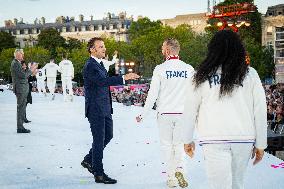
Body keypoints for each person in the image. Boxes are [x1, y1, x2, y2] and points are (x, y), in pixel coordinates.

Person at [183, 30, 267, 189]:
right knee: (237, 185)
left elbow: (190, 109)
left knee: (218, 186)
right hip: (243, 138)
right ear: (238, 49)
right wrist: (261, 143)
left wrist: (187, 139)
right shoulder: (250, 74)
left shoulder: (200, 76)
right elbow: (260, 110)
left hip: (213, 138)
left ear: (212, 50)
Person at [136, 38, 194, 188]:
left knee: (167, 146)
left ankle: (171, 177)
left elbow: (152, 95)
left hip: (165, 113)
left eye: (162, 48)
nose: (161, 50)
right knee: (179, 144)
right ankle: (180, 169)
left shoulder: (160, 69)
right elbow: (194, 94)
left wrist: (143, 114)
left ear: (168, 50)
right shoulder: (189, 69)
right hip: (183, 113)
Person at [82, 37, 139, 184]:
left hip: (105, 108)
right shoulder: (90, 66)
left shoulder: (99, 64)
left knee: (108, 135)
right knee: (99, 140)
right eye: (101, 47)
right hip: (96, 109)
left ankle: (89, 160)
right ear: (92, 50)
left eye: (103, 46)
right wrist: (123, 78)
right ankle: (98, 173)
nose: (104, 49)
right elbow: (102, 82)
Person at [10, 49, 37, 133]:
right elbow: (23, 76)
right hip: (20, 89)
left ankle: (21, 126)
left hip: (22, 88)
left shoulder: (17, 63)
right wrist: (31, 70)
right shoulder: (15, 63)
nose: (23, 56)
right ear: (18, 55)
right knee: (21, 108)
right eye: (22, 54)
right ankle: (20, 127)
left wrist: (28, 70)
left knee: (22, 107)